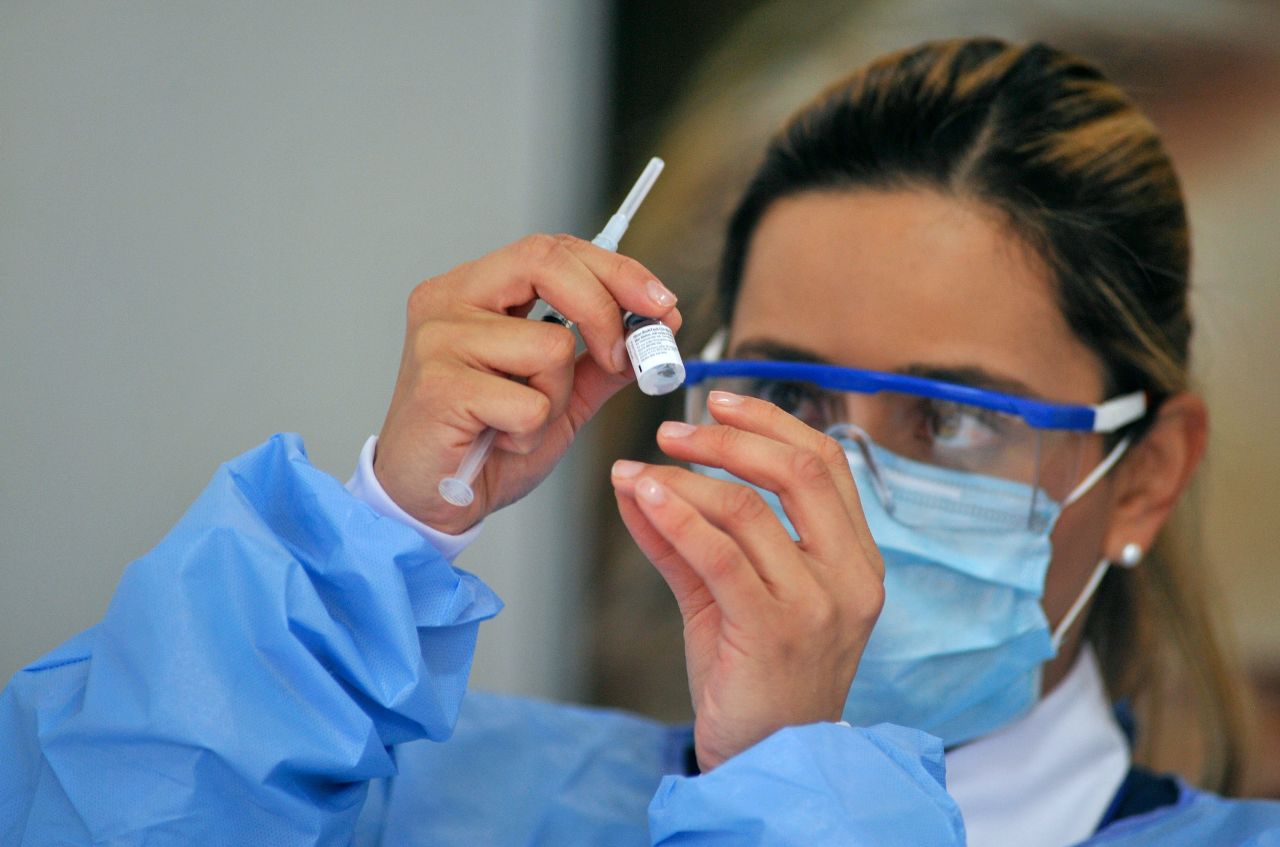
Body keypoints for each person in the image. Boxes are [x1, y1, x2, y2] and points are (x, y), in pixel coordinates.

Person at [2, 37, 1278, 846]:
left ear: (1142, 476)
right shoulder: (478, 805)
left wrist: (793, 778)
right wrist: (381, 529)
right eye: (789, 394)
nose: (834, 481)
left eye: (950, 417)